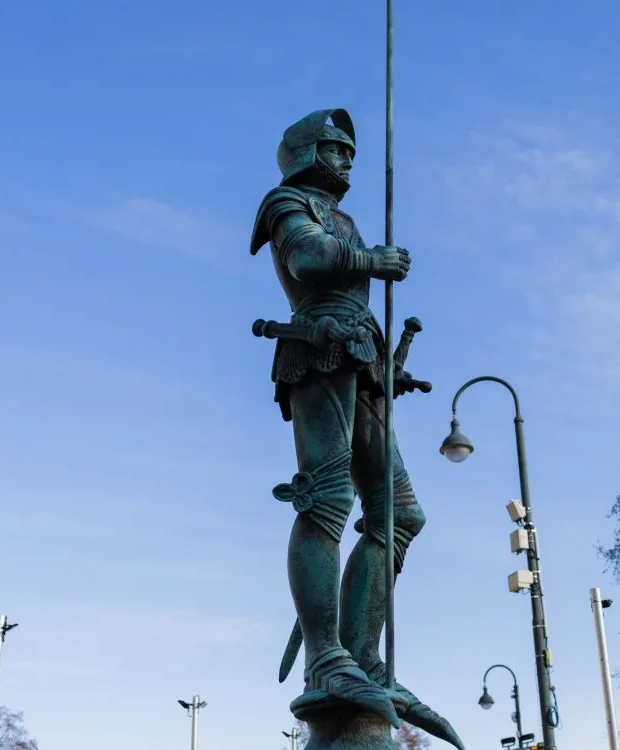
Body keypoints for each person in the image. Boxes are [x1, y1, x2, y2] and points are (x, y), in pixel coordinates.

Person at [250, 109, 462, 749]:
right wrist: (372, 261)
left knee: (400, 515)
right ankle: (326, 657)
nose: (347, 159)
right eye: (336, 148)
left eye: (350, 150)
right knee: (327, 497)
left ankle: (362, 656)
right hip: (318, 344)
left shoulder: (341, 215)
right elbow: (310, 259)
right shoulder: (288, 201)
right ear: (306, 152)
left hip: (362, 355)